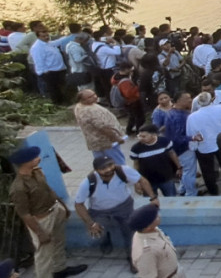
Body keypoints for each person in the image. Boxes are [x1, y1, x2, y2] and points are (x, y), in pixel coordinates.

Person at [9, 146, 88, 278]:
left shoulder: (37, 172)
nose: (38, 158)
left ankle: (59, 270)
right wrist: (40, 233)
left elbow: (49, 190)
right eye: (35, 157)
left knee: (58, 242)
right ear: (26, 162)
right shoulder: (19, 188)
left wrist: (63, 206)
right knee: (43, 254)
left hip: (55, 211)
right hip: (41, 220)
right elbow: (24, 214)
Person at [74, 156, 156, 270]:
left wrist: (153, 197)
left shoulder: (123, 170)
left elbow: (142, 180)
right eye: (103, 168)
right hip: (99, 211)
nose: (108, 169)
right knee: (98, 233)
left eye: (110, 165)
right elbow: (78, 204)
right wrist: (90, 223)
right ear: (96, 170)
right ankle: (105, 239)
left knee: (131, 233)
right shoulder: (88, 182)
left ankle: (134, 259)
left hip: (124, 207)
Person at [186, 91, 221, 196]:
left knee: (207, 171)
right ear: (211, 100)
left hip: (204, 146)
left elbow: (191, 133)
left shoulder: (192, 117)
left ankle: (213, 191)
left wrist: (193, 146)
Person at [128, 204, 183, 278]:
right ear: (147, 227)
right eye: (156, 217)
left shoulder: (151, 230)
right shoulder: (146, 252)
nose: (159, 216)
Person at [74, 88, 127, 164]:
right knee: (118, 162)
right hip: (107, 142)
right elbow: (103, 127)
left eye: (94, 94)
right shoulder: (89, 110)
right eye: (90, 97)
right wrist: (116, 138)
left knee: (102, 163)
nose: (95, 97)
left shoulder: (80, 106)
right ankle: (122, 174)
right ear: (83, 100)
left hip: (95, 142)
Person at [130, 124, 181, 197]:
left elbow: (172, 154)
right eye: (139, 136)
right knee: (151, 202)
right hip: (148, 181)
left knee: (171, 198)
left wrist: (179, 167)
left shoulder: (164, 142)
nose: (140, 138)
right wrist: (137, 181)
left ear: (153, 135)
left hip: (166, 178)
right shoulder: (136, 148)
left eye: (144, 136)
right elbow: (136, 164)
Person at [30, 27, 69, 104]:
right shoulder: (37, 47)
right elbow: (39, 61)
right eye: (43, 36)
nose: (46, 37)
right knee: (54, 88)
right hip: (50, 71)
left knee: (60, 87)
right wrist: (44, 72)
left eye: (47, 35)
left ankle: (63, 100)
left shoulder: (48, 43)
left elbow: (57, 42)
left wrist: (68, 36)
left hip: (58, 69)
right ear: (38, 37)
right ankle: (58, 103)